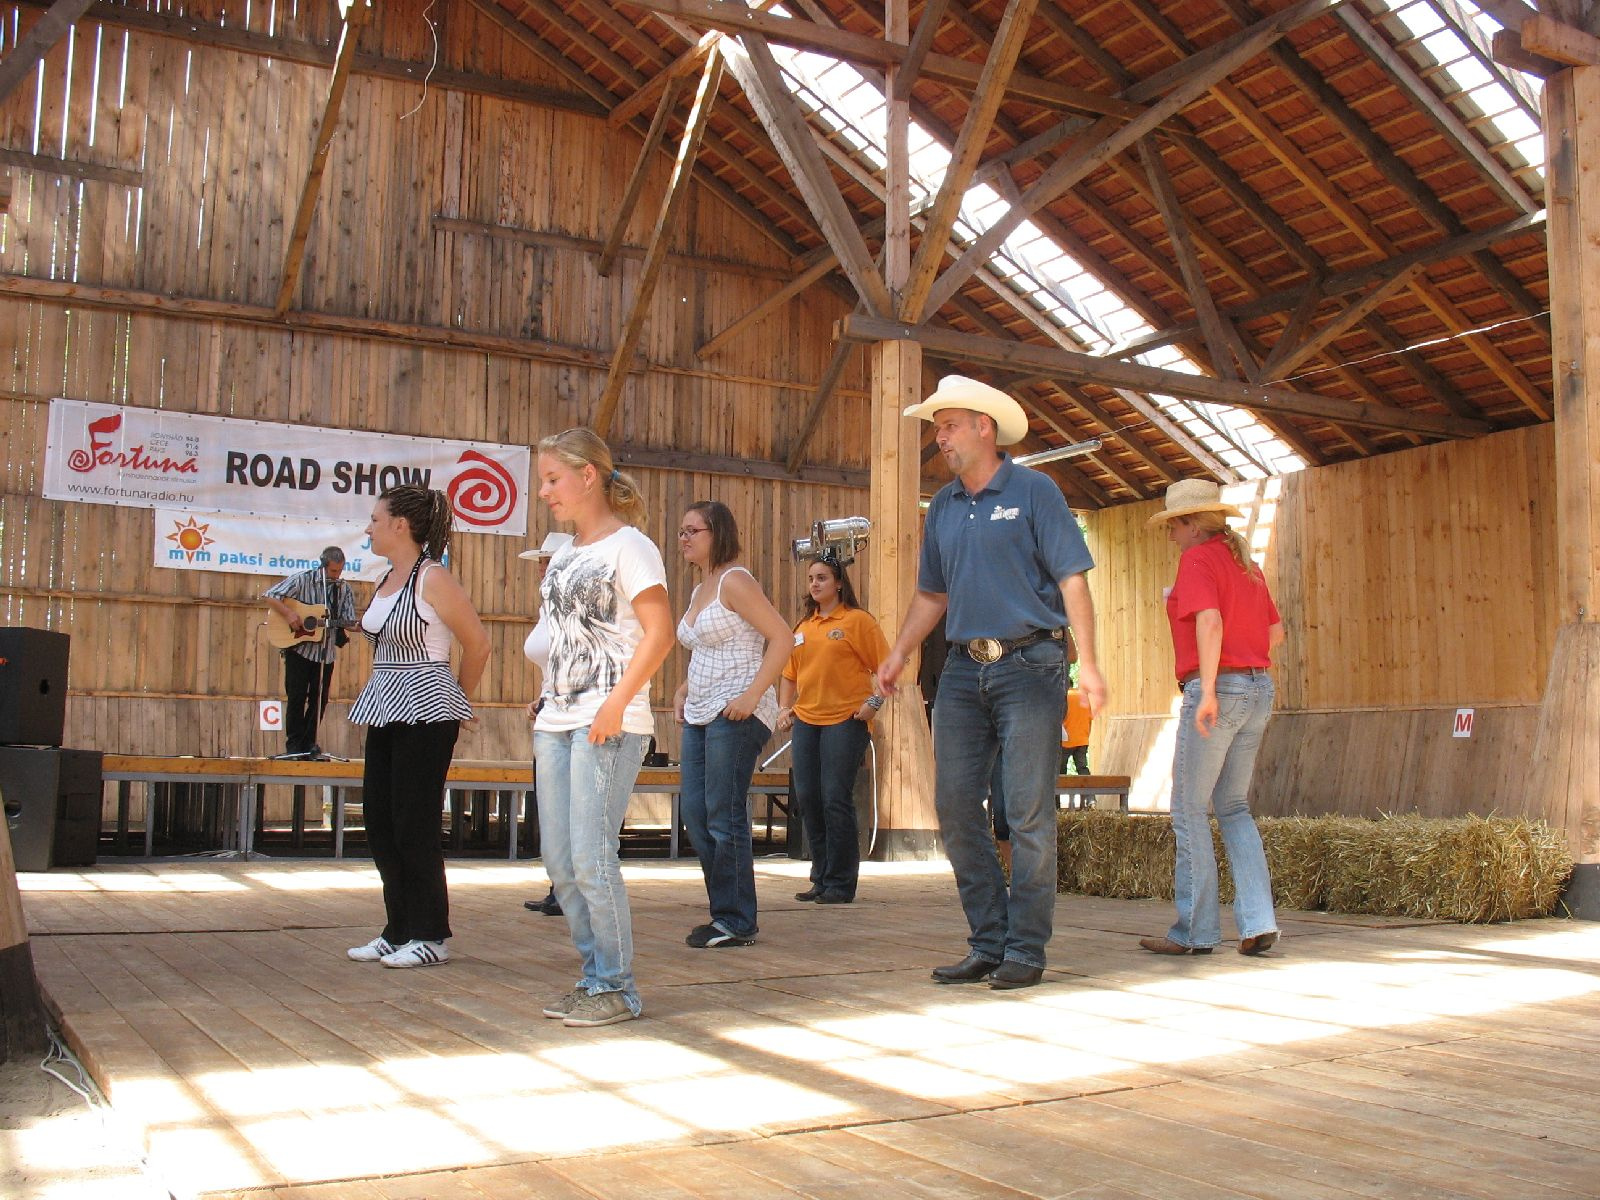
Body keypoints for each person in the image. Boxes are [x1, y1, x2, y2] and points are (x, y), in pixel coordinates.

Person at [878, 375, 1107, 992]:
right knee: (955, 805)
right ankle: (988, 940)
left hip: (1032, 666)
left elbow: (1072, 581)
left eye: (948, 425)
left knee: (1027, 811)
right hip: (959, 669)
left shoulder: (1036, 491)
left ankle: (1026, 948)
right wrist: (899, 652)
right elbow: (932, 593)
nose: (939, 438)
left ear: (986, 426)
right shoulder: (945, 507)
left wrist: (1089, 663)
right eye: (936, 428)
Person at [532, 428, 673, 1028]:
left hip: (606, 721)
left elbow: (659, 632)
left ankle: (617, 985)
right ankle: (593, 978)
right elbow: (556, 638)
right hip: (557, 718)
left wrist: (617, 702)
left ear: (588, 475)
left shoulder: (631, 547)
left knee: (593, 856)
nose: (544, 492)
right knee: (560, 862)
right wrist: (542, 699)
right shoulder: (563, 552)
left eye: (552, 479)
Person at [345, 488, 489, 969]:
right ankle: (399, 927)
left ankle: (430, 934)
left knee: (414, 821)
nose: (369, 528)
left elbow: (478, 645)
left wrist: (456, 702)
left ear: (400, 526)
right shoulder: (389, 578)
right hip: (382, 702)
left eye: (375, 519)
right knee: (380, 820)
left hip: (426, 707)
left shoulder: (434, 578)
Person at [1140, 479, 1284, 958]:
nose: (1170, 536)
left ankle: (1195, 932)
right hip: (1258, 686)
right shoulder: (1247, 564)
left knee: (1187, 809)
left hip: (1217, 688)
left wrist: (1206, 689)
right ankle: (1258, 921)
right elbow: (1275, 632)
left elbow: (1209, 621)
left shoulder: (1197, 559)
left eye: (1173, 527)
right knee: (1234, 806)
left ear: (1190, 523)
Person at [673, 501, 791, 946]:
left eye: (693, 531)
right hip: (702, 707)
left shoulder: (735, 580)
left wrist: (754, 694)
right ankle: (722, 912)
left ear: (717, 532)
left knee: (723, 812)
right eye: (681, 532)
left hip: (738, 708)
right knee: (697, 815)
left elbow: (781, 637)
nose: (684, 539)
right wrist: (684, 686)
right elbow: (708, 648)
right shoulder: (699, 587)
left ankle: (737, 920)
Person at [776, 554, 890, 905]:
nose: (815, 584)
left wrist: (874, 703)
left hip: (845, 720)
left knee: (834, 797)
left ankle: (841, 882)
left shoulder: (858, 622)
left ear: (839, 583)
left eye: (822, 578)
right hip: (807, 720)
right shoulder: (802, 628)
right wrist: (784, 707)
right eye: (811, 578)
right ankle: (821, 877)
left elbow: (887, 667)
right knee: (809, 797)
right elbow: (789, 673)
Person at [521, 532, 574, 918]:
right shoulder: (547, 609)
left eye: (548, 560)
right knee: (552, 805)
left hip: (569, 715)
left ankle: (570, 889)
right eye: (540, 562)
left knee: (568, 807)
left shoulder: (571, 609)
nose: (541, 567)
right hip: (550, 711)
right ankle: (560, 886)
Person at [264, 547, 357, 759]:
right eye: (333, 571)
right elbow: (270, 596)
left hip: (325, 653)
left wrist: (361, 625)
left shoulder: (343, 589)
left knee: (319, 699)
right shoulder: (302, 580)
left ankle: (309, 744)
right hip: (299, 649)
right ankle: (294, 746)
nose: (337, 576)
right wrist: (288, 614)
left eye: (340, 571)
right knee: (296, 697)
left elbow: (349, 620)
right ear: (323, 566)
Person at [1062, 686, 1092, 775]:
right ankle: (1088, 787)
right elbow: (1090, 719)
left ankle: (1061, 789)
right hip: (1082, 739)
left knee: (1061, 771)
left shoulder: (1063, 697)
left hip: (1065, 741)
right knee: (1082, 768)